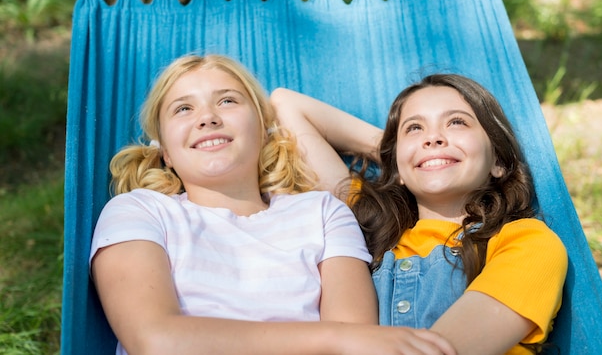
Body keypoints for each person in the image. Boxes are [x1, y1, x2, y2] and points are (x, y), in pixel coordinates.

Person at [89, 54, 457, 355]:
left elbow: (357, 338)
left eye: (228, 100)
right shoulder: (140, 212)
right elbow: (155, 340)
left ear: (264, 129)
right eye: (182, 109)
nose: (207, 117)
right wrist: (333, 338)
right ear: (165, 151)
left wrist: (409, 157)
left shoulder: (322, 213)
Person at [270, 73, 568, 355]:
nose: (433, 137)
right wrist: (401, 156)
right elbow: (286, 105)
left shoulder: (528, 243)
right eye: (415, 128)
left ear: (498, 161)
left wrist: (418, 152)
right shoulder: (363, 224)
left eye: (456, 122)